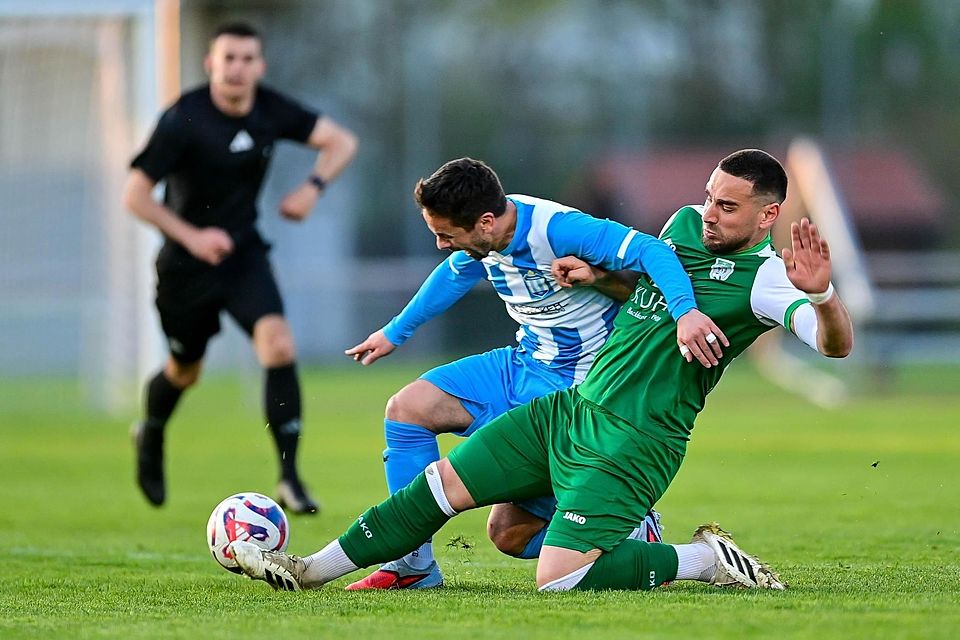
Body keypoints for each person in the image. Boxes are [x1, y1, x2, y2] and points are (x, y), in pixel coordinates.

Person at [230, 148, 853, 592]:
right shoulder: (687, 225)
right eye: (710, 196)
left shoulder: (770, 280)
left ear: (767, 217)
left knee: (558, 577)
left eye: (728, 206)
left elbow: (834, 348)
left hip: (635, 440)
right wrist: (599, 277)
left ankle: (700, 559)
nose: (709, 211)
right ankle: (309, 569)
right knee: (447, 491)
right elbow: (642, 294)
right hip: (569, 410)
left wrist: (823, 299)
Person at [341, 157, 722, 589]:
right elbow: (453, 274)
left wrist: (685, 311)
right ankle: (413, 564)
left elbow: (652, 251)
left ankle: (629, 533)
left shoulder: (558, 229)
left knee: (508, 534)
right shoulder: (481, 242)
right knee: (408, 407)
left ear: (485, 222)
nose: (441, 244)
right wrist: (394, 333)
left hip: (582, 387)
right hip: (524, 363)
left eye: (446, 235)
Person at [122, 22, 358, 513]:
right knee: (185, 371)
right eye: (228, 58)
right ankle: (151, 432)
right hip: (185, 266)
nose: (237, 68)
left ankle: (289, 478)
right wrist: (192, 236)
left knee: (278, 344)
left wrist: (311, 189)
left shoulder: (271, 109)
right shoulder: (184, 117)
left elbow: (340, 142)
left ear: (260, 66)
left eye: (247, 59)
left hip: (244, 256)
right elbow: (135, 195)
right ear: (211, 63)